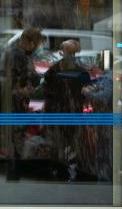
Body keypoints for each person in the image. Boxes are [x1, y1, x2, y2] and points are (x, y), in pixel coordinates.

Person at [0, 27, 44, 180]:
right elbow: (19, 79)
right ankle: (14, 172)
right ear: (29, 41)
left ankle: (13, 171)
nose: (35, 47)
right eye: (36, 43)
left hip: (13, 102)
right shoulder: (18, 55)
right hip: (15, 103)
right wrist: (24, 89)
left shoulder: (14, 53)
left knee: (13, 138)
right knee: (16, 138)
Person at [42, 39, 91, 182]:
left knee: (73, 146)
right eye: (69, 52)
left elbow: (87, 94)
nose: (71, 55)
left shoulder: (81, 72)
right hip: (56, 114)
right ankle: (59, 172)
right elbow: (46, 92)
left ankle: (75, 173)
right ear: (62, 52)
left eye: (74, 53)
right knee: (58, 145)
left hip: (73, 115)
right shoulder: (53, 71)